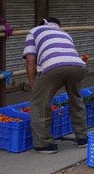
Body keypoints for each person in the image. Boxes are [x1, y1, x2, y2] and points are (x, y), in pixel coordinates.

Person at [23, 18, 87, 154]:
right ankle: (82, 138)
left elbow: (30, 60)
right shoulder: (64, 33)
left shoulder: (34, 31)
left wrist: (34, 87)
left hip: (53, 66)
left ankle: (44, 144)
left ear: (42, 23)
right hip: (78, 66)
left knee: (39, 103)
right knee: (76, 99)